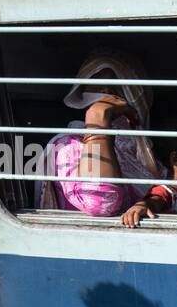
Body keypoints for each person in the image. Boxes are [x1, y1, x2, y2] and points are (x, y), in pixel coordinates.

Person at [38, 50, 163, 215]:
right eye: (98, 83)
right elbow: (100, 203)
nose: (105, 89)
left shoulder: (141, 150)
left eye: (116, 85)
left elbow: (173, 195)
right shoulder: (69, 146)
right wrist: (98, 115)